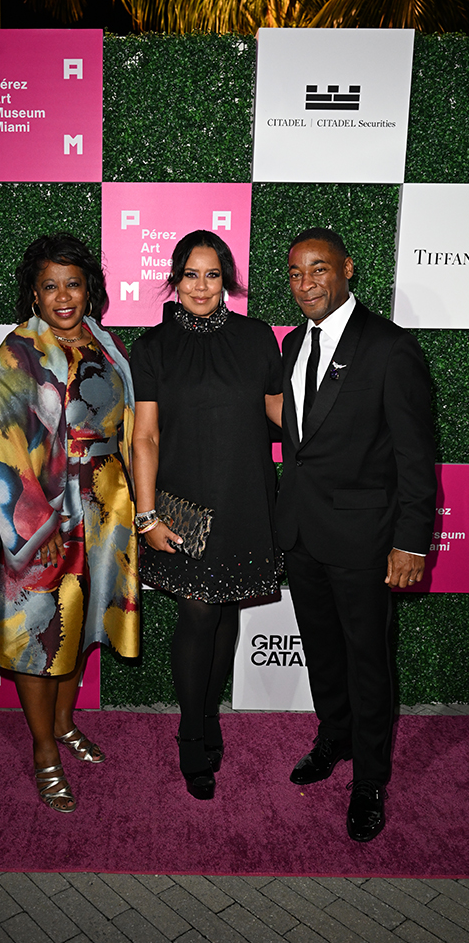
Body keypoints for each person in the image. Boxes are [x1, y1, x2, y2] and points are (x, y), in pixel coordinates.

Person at [278, 227, 436, 842]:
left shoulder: (390, 349)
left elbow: (415, 459)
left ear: (347, 268)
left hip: (367, 540)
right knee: (322, 651)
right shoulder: (292, 345)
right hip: (302, 534)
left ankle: (369, 780)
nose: (306, 283)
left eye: (318, 269)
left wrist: (412, 541)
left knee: (369, 662)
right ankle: (333, 738)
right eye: (295, 273)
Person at [0, 233, 140, 813]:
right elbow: (3, 447)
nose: (63, 296)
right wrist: (33, 534)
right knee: (38, 633)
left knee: (82, 619)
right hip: (45, 512)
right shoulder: (16, 354)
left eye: (72, 283)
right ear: (33, 293)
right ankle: (44, 749)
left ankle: (67, 723)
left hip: (105, 507)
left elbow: (124, 424)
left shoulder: (104, 340)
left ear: (89, 288)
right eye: (50, 286)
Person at [130, 230, 283, 800]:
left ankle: (209, 715)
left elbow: (278, 412)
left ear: (227, 281)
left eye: (212, 274)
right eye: (190, 274)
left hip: (245, 499)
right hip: (185, 508)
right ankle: (190, 733)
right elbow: (144, 438)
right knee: (198, 617)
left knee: (225, 616)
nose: (200, 286)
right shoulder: (151, 348)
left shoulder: (257, 337)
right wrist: (147, 518)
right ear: (174, 278)